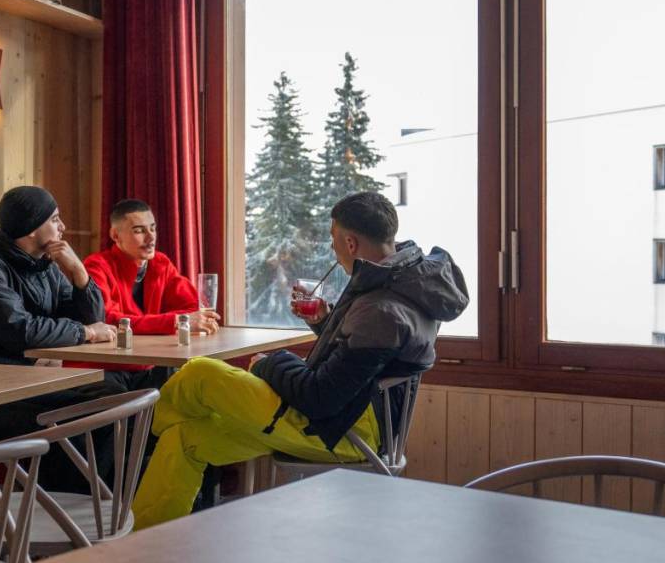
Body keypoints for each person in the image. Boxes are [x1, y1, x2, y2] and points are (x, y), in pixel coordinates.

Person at [131, 191, 468, 528]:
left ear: (350, 243)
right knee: (185, 437)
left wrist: (267, 362)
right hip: (351, 418)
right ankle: (147, 541)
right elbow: (357, 364)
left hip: (343, 432)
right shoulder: (402, 282)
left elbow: (319, 397)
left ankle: (142, 435)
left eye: (334, 239)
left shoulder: (380, 308)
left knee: (201, 372)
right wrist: (325, 320)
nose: (333, 249)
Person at [0, 185, 125, 491]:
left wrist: (79, 272)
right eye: (55, 219)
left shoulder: (43, 263)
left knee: (112, 393)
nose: (63, 227)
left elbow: (91, 318)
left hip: (10, 386)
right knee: (72, 417)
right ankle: (63, 506)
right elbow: (20, 331)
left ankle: (93, 501)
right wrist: (85, 333)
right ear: (32, 228)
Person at [78, 199, 220, 384]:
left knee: (199, 380)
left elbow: (192, 308)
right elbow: (108, 321)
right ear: (115, 235)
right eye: (139, 231)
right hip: (106, 365)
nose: (151, 238)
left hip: (148, 363)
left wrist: (171, 322)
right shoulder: (96, 266)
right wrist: (173, 322)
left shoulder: (161, 263)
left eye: (153, 229)